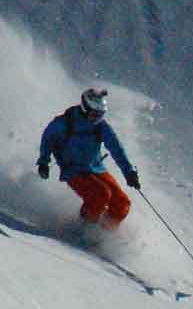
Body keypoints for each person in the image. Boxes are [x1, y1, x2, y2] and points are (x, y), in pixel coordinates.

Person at [37, 88, 140, 231]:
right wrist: (43, 162)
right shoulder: (64, 123)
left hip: (96, 168)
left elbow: (116, 148)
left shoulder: (100, 126)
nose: (96, 119)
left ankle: (104, 233)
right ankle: (84, 229)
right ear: (85, 108)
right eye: (94, 114)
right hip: (73, 170)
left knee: (122, 203)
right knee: (101, 195)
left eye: (100, 115)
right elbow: (48, 138)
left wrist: (129, 172)